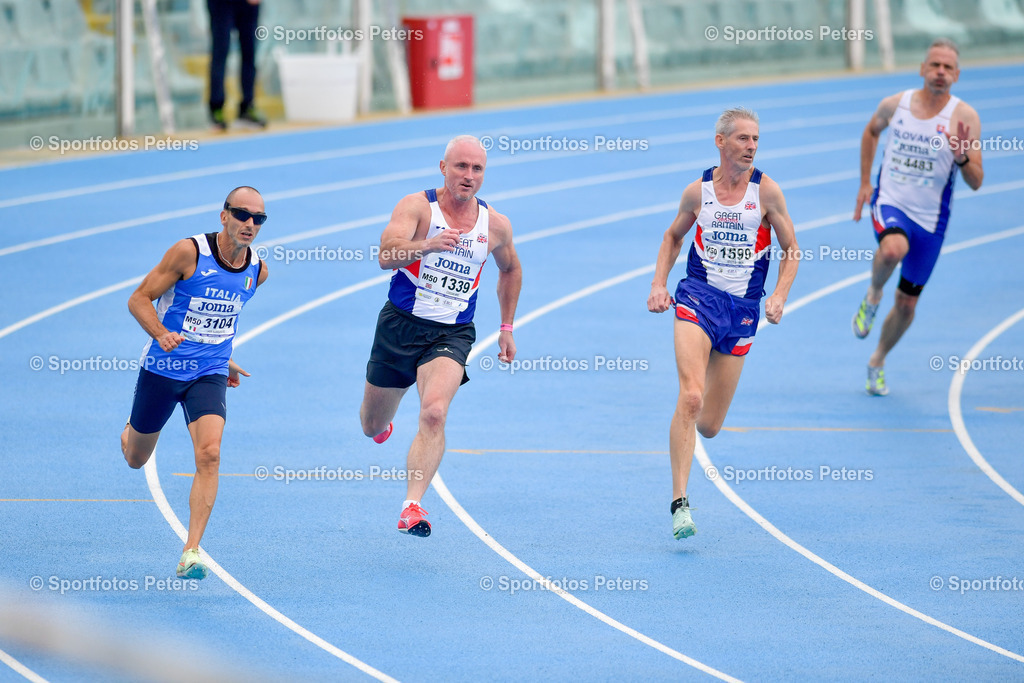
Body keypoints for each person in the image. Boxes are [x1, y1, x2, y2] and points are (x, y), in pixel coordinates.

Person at [647, 108, 799, 540]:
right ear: (720, 141)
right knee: (691, 396)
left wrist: (779, 294)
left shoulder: (766, 193)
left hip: (742, 311)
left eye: (756, 139)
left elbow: (791, 249)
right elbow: (673, 236)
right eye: (743, 139)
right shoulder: (698, 192)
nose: (751, 147)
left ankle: (690, 429)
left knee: (710, 425)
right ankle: (680, 502)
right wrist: (659, 284)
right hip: (698, 298)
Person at [360, 135, 522, 538]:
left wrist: (506, 328)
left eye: (477, 169)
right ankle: (381, 425)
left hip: (451, 333)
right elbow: (385, 256)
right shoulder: (417, 207)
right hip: (400, 326)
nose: (468, 176)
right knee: (370, 424)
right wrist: (427, 245)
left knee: (434, 412)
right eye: (461, 166)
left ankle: (412, 506)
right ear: (443, 168)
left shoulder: (495, 225)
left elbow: (511, 269)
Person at [121, 186, 269, 578]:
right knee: (136, 458)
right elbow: (138, 299)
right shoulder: (189, 253)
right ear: (224, 216)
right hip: (163, 369)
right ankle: (131, 429)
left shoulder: (257, 271)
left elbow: (220, 320)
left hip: (209, 372)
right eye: (242, 214)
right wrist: (160, 334)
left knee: (210, 453)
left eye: (258, 218)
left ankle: (191, 551)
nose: (250, 224)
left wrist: (226, 359)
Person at [852, 38, 983, 395]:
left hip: (931, 221)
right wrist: (865, 182)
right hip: (892, 201)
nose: (940, 72)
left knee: (907, 305)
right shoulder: (896, 104)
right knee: (892, 250)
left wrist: (961, 157)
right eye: (934, 65)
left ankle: (877, 360)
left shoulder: (965, 118)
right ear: (923, 69)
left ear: (956, 75)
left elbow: (976, 181)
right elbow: (871, 131)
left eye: (947, 67)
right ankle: (873, 294)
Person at [207, 0, 267, 130]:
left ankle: (247, 107)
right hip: (221, 4)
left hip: (248, 5)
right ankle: (216, 108)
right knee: (220, 52)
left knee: (250, 53)